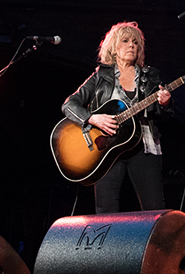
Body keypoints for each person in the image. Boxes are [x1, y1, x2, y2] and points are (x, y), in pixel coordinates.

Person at [62, 21, 171, 213]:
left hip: (144, 146)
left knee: (154, 210)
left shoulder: (151, 76)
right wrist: (92, 119)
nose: (132, 45)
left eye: (136, 43)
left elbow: (163, 117)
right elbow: (69, 105)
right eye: (126, 41)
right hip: (107, 149)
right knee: (106, 209)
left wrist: (165, 104)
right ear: (113, 47)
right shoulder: (100, 76)